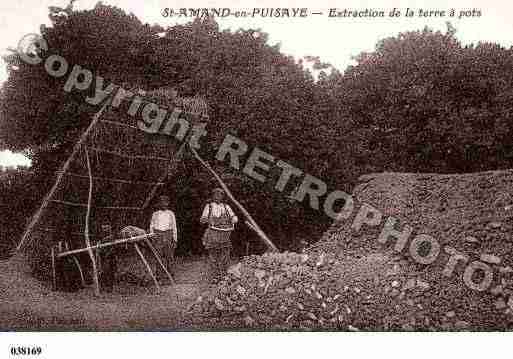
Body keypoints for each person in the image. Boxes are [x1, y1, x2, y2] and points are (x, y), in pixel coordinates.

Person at [200, 188, 238, 283]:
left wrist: (234, 219)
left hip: (224, 234)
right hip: (213, 234)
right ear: (212, 196)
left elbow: (233, 217)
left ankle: (225, 275)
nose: (217, 197)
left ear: (222, 196)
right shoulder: (209, 207)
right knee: (213, 256)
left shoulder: (226, 207)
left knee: (225, 255)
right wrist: (208, 220)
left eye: (220, 195)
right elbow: (202, 219)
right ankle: (215, 276)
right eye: (215, 195)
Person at [149, 195, 178, 282]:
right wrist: (152, 236)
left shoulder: (171, 213)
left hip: (168, 234)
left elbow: (174, 227)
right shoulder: (155, 214)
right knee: (158, 256)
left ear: (168, 203)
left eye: (165, 202)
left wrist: (175, 239)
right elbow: (152, 226)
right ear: (159, 204)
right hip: (158, 235)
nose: (163, 204)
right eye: (161, 202)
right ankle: (159, 276)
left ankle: (170, 275)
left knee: (169, 256)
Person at [97, 224, 117, 293]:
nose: (105, 230)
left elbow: (113, 248)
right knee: (103, 272)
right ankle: (104, 287)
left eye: (106, 228)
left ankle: (109, 288)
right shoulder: (102, 238)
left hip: (110, 257)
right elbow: (100, 248)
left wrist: (107, 254)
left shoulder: (111, 237)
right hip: (104, 257)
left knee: (110, 272)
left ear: (109, 229)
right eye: (103, 228)